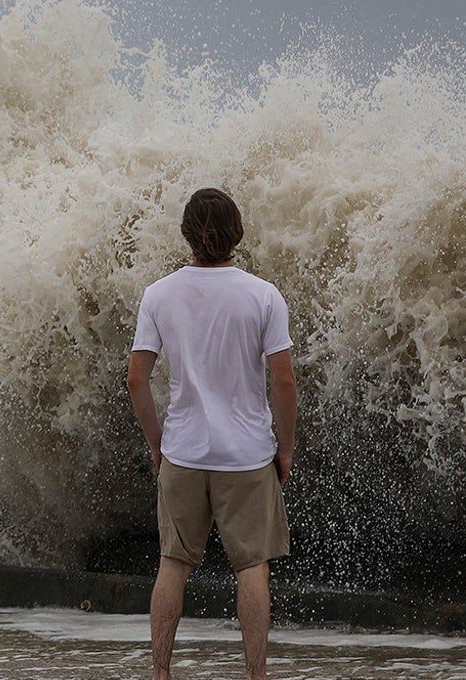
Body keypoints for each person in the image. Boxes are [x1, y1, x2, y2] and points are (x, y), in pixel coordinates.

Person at [125, 187, 297, 680]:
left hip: (183, 451)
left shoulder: (159, 294)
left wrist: (158, 443)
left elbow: (137, 378)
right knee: (251, 568)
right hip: (246, 455)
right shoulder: (263, 295)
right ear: (238, 231)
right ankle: (255, 674)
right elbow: (283, 381)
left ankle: (161, 672)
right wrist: (284, 449)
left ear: (186, 235)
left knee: (173, 564)